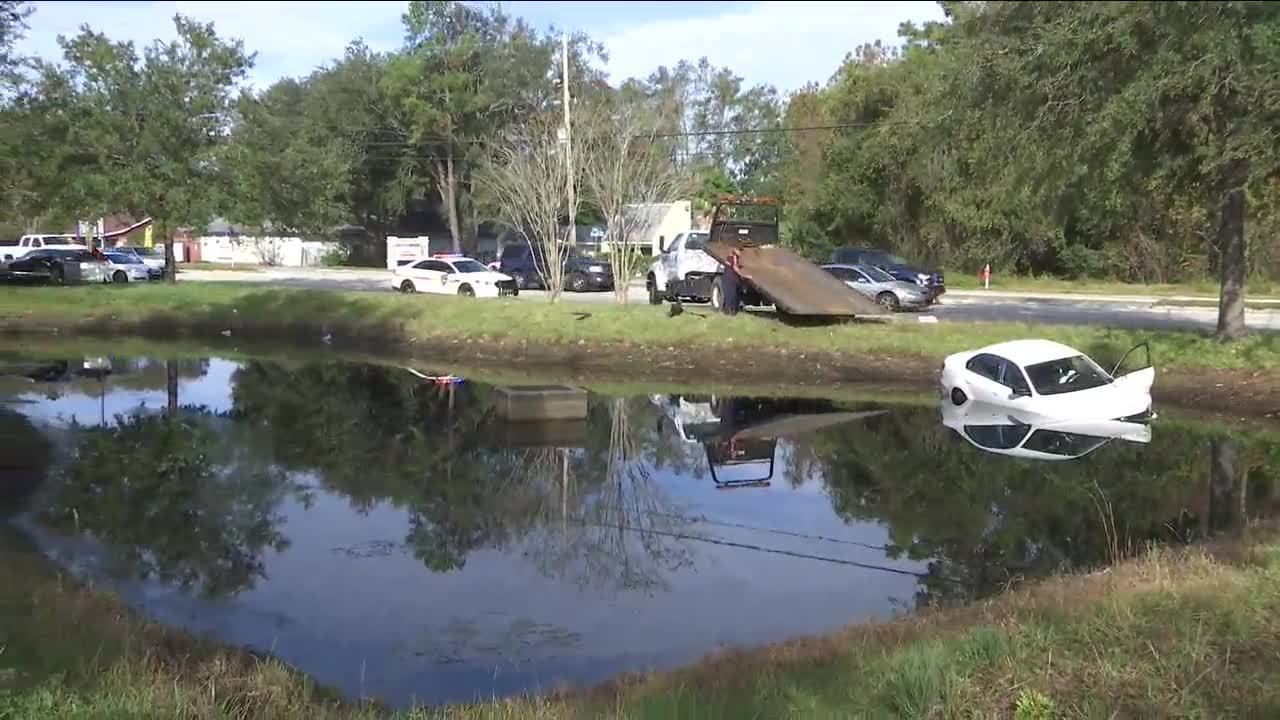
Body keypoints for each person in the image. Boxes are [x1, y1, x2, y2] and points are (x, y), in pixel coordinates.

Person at [722, 248, 750, 316]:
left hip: (726, 278)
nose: (740, 253)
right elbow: (735, 268)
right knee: (733, 295)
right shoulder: (734, 257)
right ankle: (733, 311)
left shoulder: (728, 257)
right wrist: (745, 275)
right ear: (735, 251)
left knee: (728, 295)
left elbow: (730, 266)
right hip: (732, 279)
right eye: (739, 251)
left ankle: (727, 311)